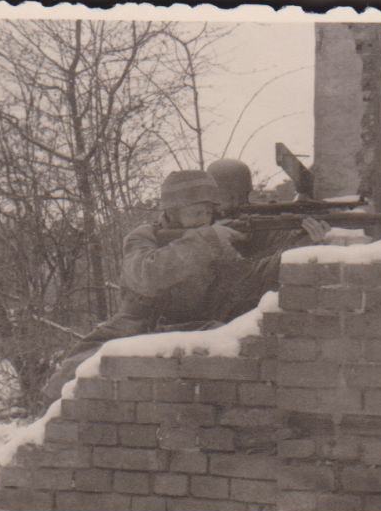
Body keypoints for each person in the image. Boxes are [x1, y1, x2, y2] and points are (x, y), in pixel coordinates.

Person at [42, 170, 261, 403]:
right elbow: (147, 276)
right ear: (172, 212)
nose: (204, 220)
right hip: (134, 326)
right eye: (196, 213)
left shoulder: (213, 240)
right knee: (71, 377)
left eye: (208, 213)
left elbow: (244, 280)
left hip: (191, 326)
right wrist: (208, 241)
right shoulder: (143, 237)